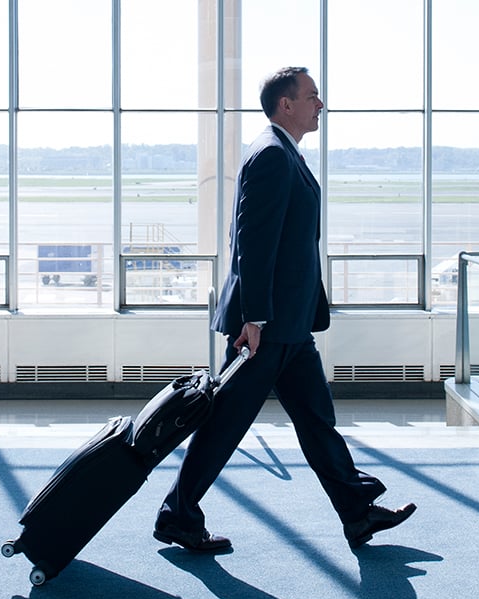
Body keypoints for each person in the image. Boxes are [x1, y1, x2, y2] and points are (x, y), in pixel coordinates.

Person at [153, 66, 416, 552]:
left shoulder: (282, 152)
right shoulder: (273, 155)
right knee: (225, 423)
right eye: (313, 96)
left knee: (317, 421)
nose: (321, 104)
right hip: (267, 327)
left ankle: (357, 513)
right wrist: (255, 319)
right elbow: (252, 244)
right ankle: (178, 515)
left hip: (288, 326)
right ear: (286, 105)